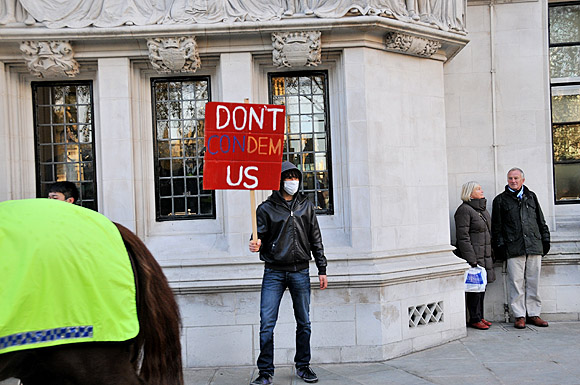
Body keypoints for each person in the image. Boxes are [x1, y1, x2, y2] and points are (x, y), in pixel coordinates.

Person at [249, 161, 328, 385]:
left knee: (304, 322)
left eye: (295, 177)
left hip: (300, 271)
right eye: (288, 177)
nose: (292, 181)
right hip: (273, 272)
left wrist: (322, 269)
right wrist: (254, 244)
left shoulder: (307, 206)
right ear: (279, 180)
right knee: (266, 324)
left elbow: (316, 239)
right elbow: (258, 237)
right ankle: (265, 371)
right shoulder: (265, 208)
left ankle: (303, 366)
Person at [491, 168, 551, 329]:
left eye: (516, 178)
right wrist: (500, 246)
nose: (513, 181)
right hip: (513, 247)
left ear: (523, 180)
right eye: (510, 178)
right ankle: (519, 315)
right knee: (516, 283)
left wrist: (545, 240)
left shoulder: (531, 197)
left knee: (533, 282)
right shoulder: (500, 200)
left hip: (533, 245)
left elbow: (540, 220)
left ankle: (533, 314)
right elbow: (496, 227)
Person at [454, 181, 496, 330]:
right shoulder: (464, 210)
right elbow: (463, 237)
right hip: (474, 257)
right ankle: (474, 318)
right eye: (478, 189)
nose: (482, 190)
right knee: (473, 290)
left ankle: (480, 316)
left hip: (485, 255)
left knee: (481, 287)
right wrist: (471, 258)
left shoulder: (482, 210)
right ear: (469, 193)